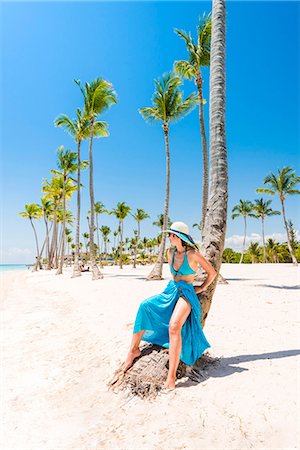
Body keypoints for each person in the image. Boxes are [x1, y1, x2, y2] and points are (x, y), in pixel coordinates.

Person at [122, 221, 217, 391]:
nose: (169, 237)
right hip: (171, 290)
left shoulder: (193, 254)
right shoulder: (170, 252)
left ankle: (171, 377)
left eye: (171, 234)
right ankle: (133, 351)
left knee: (174, 326)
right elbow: (174, 277)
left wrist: (201, 287)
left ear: (179, 237)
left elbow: (212, 273)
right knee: (145, 306)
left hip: (187, 294)